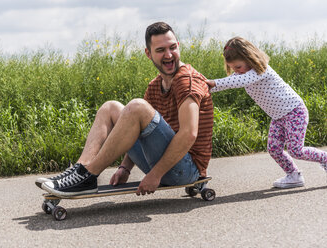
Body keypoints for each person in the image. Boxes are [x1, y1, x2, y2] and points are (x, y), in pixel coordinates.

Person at [36, 22, 214, 196]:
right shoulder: (155, 86)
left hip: (187, 170)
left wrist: (155, 175)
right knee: (110, 107)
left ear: (178, 47)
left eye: (172, 47)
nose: (169, 55)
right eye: (160, 50)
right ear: (148, 53)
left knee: (137, 107)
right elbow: (139, 132)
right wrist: (125, 168)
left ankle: (87, 176)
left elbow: (189, 133)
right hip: (164, 163)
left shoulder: (187, 80)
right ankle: (81, 171)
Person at [205, 36, 327, 188]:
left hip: (294, 111)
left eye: (238, 67)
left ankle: (326, 159)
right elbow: (229, 81)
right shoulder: (244, 73)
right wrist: (207, 86)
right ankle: (294, 175)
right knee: (274, 149)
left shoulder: (261, 71)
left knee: (296, 150)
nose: (236, 71)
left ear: (248, 58)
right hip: (278, 117)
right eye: (234, 68)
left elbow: (237, 81)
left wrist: (214, 83)